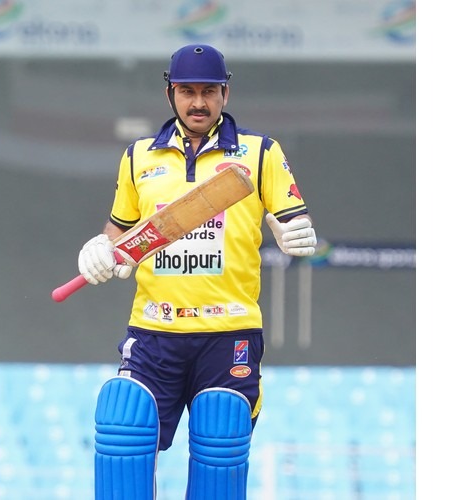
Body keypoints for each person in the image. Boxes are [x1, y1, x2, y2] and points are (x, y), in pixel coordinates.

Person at [78, 44, 317, 500]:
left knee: (220, 436)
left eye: (209, 91)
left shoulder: (261, 152)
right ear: (170, 93)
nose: (198, 102)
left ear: (226, 93)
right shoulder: (139, 156)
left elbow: (293, 219)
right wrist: (101, 248)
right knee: (122, 424)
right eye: (187, 91)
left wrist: (296, 233)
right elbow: (119, 233)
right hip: (155, 330)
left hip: (228, 332)